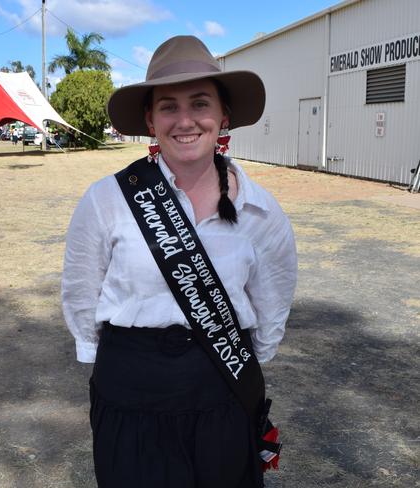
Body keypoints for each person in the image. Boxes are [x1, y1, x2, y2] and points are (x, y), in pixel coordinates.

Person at [61, 35, 297, 488]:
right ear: (150, 119)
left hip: (221, 388)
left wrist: (248, 360)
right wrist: (107, 362)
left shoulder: (259, 210)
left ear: (223, 116)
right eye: (168, 106)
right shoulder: (107, 199)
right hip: (130, 391)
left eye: (200, 103)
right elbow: (80, 289)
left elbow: (274, 298)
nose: (185, 120)